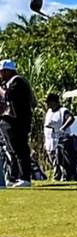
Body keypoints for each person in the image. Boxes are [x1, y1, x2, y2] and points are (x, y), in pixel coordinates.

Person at [0, 59, 35, 187]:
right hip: (9, 120)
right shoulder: (8, 82)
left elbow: (8, 96)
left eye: (2, 72)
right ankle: (13, 176)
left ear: (7, 71)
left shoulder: (17, 81)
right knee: (11, 150)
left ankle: (24, 177)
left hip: (18, 121)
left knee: (20, 149)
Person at [42, 93, 76, 181]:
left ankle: (61, 177)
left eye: (48, 102)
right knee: (52, 160)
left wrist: (63, 128)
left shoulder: (63, 111)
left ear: (53, 102)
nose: (47, 105)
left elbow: (71, 118)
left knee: (59, 160)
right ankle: (57, 175)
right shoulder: (49, 112)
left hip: (60, 140)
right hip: (49, 140)